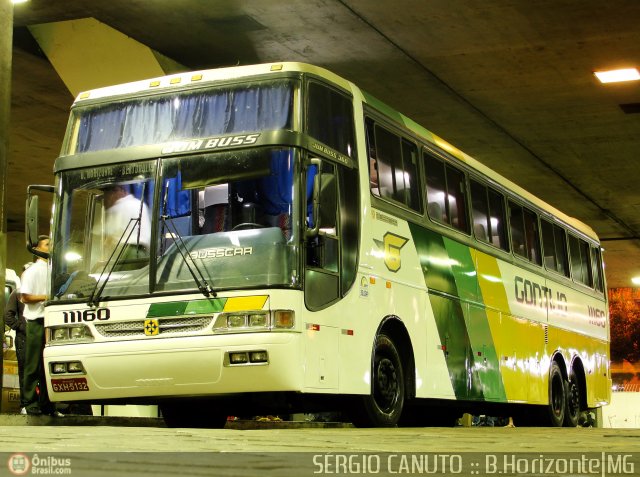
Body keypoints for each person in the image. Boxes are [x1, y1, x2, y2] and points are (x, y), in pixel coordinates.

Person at [20, 235, 56, 416]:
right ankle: (29, 403)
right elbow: (24, 297)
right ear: (37, 248)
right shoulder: (32, 271)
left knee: (47, 365)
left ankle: (47, 404)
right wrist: (46, 297)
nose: (51, 247)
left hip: (51, 321)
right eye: (48, 245)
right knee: (33, 364)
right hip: (35, 321)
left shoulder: (52, 270)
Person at [5, 286, 26, 411]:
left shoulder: (44, 292)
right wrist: (22, 327)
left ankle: (45, 406)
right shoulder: (18, 292)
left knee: (43, 373)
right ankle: (26, 405)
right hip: (24, 338)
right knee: (25, 372)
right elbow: (8, 315)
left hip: (42, 337)